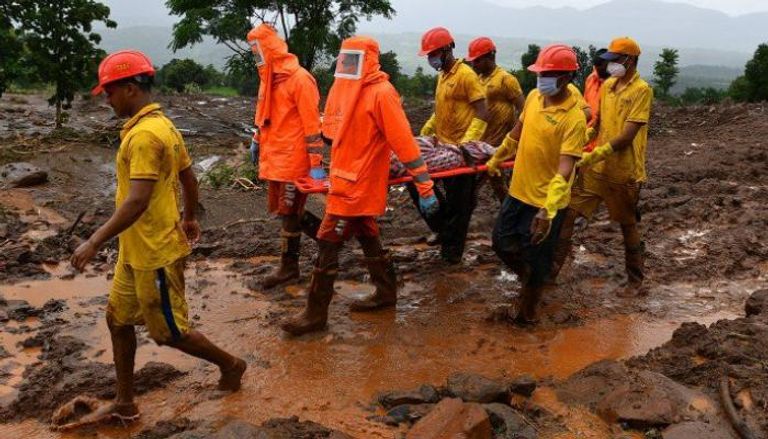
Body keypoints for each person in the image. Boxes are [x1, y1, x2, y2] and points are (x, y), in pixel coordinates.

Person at [70, 50, 246, 424]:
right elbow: (188, 176)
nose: (107, 100)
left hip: (155, 253)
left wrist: (94, 240)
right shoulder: (161, 125)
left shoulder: (147, 135)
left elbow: (136, 201)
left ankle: (232, 365)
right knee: (117, 321)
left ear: (131, 88)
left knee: (169, 333)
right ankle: (124, 402)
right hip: (134, 250)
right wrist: (189, 215)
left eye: (110, 92)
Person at [280, 36, 439, 336]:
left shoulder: (382, 93)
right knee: (368, 235)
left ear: (368, 59)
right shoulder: (343, 88)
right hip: (342, 178)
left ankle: (315, 314)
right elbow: (331, 134)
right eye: (345, 58)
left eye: (354, 59)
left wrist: (425, 186)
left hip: (359, 185)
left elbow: (403, 142)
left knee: (328, 241)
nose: (348, 64)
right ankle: (386, 291)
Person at [488, 44, 586, 324]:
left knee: (537, 259)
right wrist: (498, 156)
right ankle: (532, 281)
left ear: (566, 78)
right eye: (540, 73)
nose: (540, 79)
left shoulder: (574, 117)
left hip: (545, 203)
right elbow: (517, 133)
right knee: (501, 242)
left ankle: (529, 316)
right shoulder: (533, 97)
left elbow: (566, 167)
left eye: (547, 74)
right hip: (518, 193)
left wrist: (549, 209)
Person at [551, 37, 653, 298]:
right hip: (596, 170)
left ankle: (635, 281)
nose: (610, 66)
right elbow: (598, 123)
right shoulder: (607, 86)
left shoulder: (642, 90)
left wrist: (594, 155)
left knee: (626, 224)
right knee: (569, 213)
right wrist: (581, 141)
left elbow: (627, 135)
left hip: (624, 171)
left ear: (629, 61)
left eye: (615, 61)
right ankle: (550, 273)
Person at [246, 24, 324, 289]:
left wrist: (316, 165)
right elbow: (265, 116)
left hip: (294, 160)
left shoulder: (300, 79)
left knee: (290, 213)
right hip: (276, 158)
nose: (256, 56)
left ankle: (289, 268)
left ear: (270, 49)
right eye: (253, 51)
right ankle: (328, 239)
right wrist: (257, 139)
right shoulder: (268, 81)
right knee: (287, 212)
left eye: (258, 50)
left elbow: (313, 126)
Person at [411, 27, 490, 264]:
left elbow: (482, 112)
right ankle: (447, 232)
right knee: (418, 184)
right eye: (428, 55)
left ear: (446, 50)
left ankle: (452, 254)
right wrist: (426, 131)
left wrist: (467, 144)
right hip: (442, 149)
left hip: (461, 152)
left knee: (459, 205)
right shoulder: (443, 77)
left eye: (433, 53)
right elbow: (441, 110)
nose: (430, 59)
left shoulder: (466, 75)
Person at [466, 36, 525, 202]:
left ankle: (510, 214)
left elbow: (524, 109)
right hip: (483, 141)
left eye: (477, 61)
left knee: (497, 181)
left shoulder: (506, 80)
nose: (473, 65)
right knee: (486, 181)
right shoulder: (477, 81)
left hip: (502, 142)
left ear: (490, 57)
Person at [583, 48, 610, 152]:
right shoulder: (590, 79)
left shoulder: (617, 85)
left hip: (605, 143)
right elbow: (584, 105)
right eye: (597, 66)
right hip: (588, 139)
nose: (599, 70)